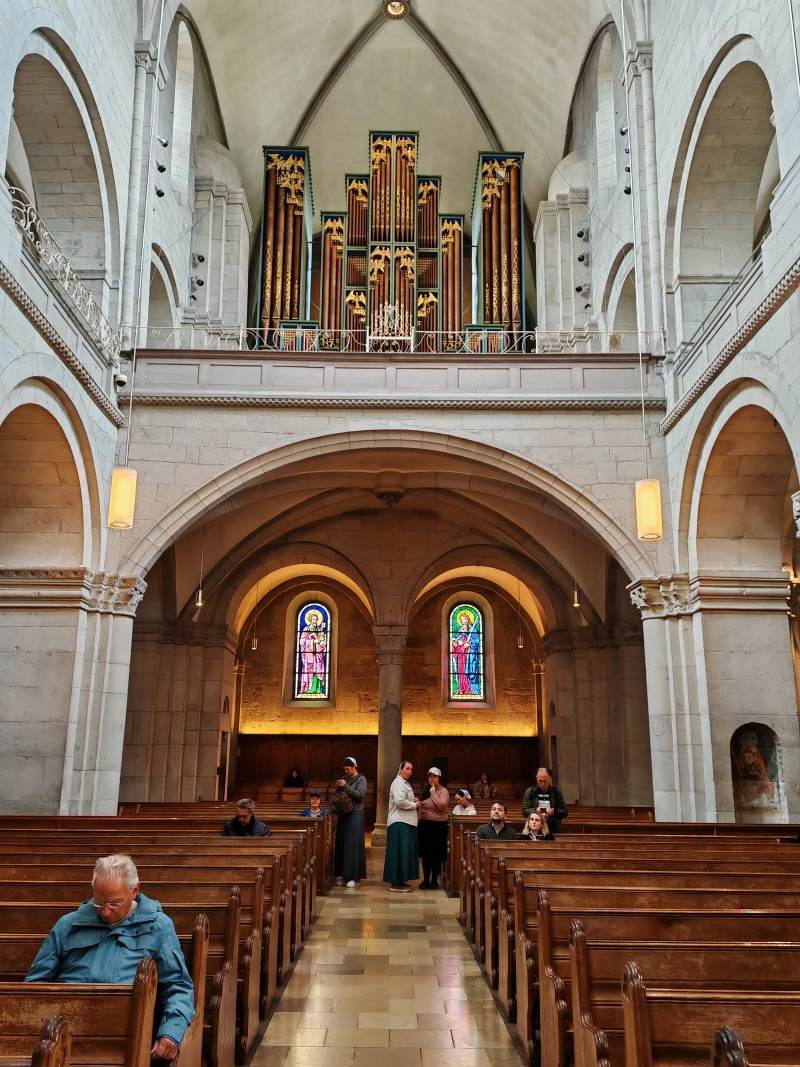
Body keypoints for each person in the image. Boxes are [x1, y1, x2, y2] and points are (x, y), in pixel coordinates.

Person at [26, 854, 194, 1062]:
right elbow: (34, 986)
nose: (105, 912)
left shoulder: (158, 927)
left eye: (114, 904)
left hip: (125, 1039)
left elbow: (178, 986)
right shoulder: (67, 925)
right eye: (98, 903)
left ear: (134, 891)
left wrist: (170, 1034)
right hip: (62, 1037)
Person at [383, 760, 420, 893]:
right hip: (399, 822)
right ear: (400, 770)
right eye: (407, 768)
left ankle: (400, 880)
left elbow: (404, 798)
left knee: (403, 853)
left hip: (405, 822)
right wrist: (414, 805)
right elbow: (399, 801)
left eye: (411, 769)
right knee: (399, 853)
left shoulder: (404, 783)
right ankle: (396, 883)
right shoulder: (398, 782)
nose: (410, 771)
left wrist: (412, 800)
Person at [333, 756, 367, 888]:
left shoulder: (361, 779)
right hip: (344, 814)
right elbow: (340, 794)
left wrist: (345, 786)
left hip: (355, 814)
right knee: (342, 845)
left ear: (354, 767)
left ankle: (355, 877)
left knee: (353, 846)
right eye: (345, 769)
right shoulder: (345, 778)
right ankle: (343, 874)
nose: (346, 771)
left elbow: (360, 796)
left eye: (348, 769)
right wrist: (339, 786)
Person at [418, 767, 449, 890]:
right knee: (426, 855)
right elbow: (422, 803)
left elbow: (441, 806)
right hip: (425, 826)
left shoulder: (443, 791)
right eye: (430, 776)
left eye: (434, 777)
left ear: (439, 778)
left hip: (438, 827)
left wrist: (433, 793)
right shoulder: (426, 790)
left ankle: (434, 881)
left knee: (436, 855)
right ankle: (425, 880)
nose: (432, 779)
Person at [522, 767, 568, 833]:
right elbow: (524, 811)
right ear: (536, 778)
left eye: (545, 781)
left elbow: (565, 812)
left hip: (553, 828)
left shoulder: (556, 792)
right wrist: (535, 811)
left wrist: (555, 811)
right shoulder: (529, 792)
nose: (543, 784)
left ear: (550, 778)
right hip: (534, 829)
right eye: (540, 781)